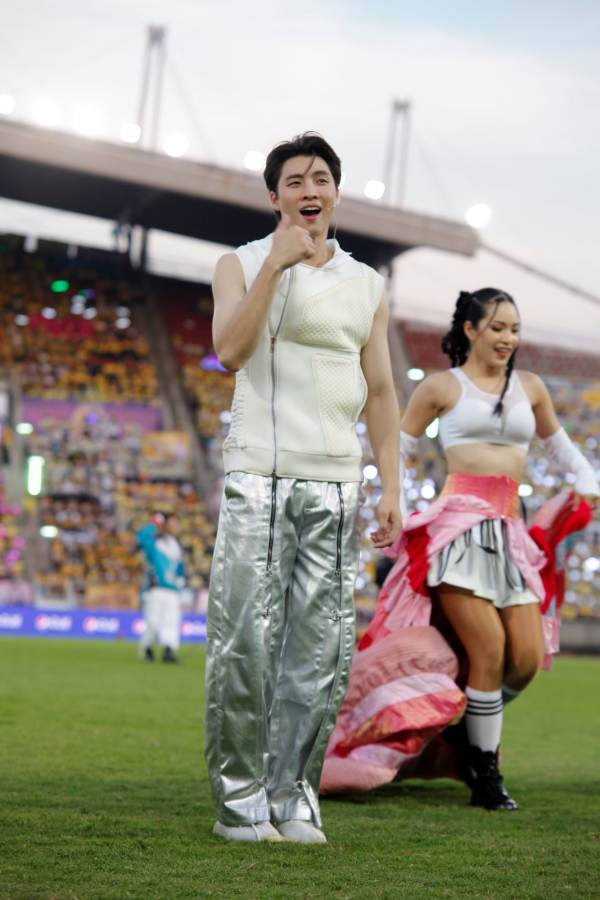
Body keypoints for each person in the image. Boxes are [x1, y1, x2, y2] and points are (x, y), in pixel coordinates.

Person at [322, 288, 598, 809]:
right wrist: (392, 501)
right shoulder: (441, 386)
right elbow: (398, 445)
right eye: (497, 327)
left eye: (514, 329)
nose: (508, 338)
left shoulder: (531, 387)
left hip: (511, 535)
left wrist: (588, 484)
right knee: (487, 648)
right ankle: (486, 774)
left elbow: (563, 450)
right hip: (456, 531)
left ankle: (462, 730)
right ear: (471, 330)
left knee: (525, 659)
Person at [205, 132, 401, 843]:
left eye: (321, 178)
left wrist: (391, 485)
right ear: (275, 197)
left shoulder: (367, 284)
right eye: (294, 181)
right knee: (245, 644)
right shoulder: (240, 263)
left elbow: (382, 390)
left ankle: (293, 795)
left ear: (336, 193)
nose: (309, 190)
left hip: (336, 482)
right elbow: (230, 351)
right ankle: (239, 802)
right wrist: (276, 267)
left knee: (320, 651)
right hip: (259, 472)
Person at [137, 513, 186, 663]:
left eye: (176, 523)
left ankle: (168, 650)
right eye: (171, 523)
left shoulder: (177, 546)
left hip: (173, 591)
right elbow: (141, 536)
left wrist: (181, 579)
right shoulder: (156, 544)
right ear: (164, 525)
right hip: (156, 589)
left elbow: (179, 567)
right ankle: (147, 647)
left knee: (172, 621)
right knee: (153, 622)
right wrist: (155, 522)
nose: (175, 526)